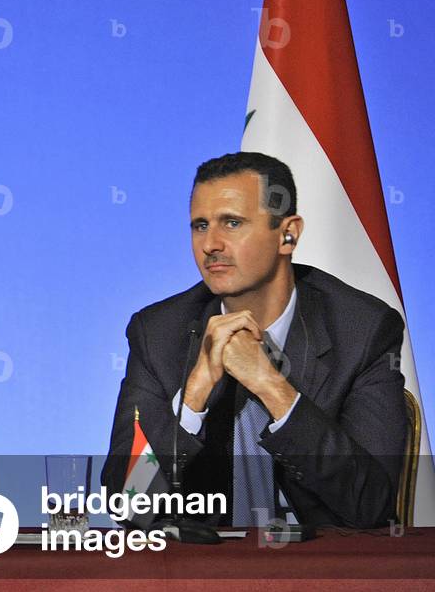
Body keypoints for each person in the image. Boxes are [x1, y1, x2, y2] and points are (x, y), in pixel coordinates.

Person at [101, 152, 406, 528]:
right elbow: (128, 506)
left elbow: (371, 506)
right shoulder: (158, 332)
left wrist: (272, 386)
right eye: (199, 226)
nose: (210, 243)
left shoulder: (362, 330)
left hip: (322, 572)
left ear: (288, 234)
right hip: (204, 575)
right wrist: (193, 398)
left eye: (231, 223)